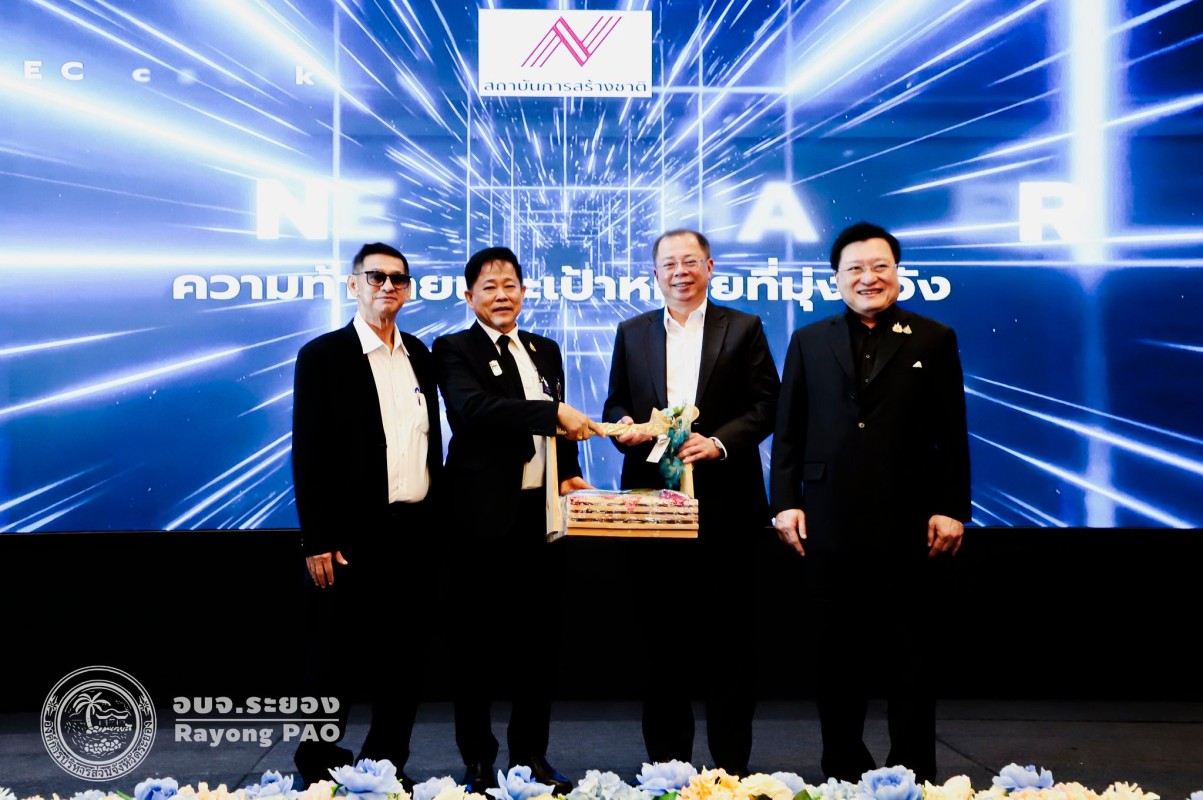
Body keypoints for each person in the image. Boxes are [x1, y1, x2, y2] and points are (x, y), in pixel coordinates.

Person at [769, 221, 971, 782]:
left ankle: (915, 773)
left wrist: (953, 507)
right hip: (827, 519)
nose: (868, 277)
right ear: (836, 278)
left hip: (911, 522)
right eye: (855, 268)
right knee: (837, 657)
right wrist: (784, 501)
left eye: (880, 266)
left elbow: (952, 431)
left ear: (897, 273)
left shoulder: (933, 337)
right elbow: (789, 429)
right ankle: (842, 771)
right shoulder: (809, 340)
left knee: (912, 654)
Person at [602, 228, 779, 774]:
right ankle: (667, 767)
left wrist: (720, 441)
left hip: (727, 506)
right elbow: (615, 404)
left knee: (731, 643)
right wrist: (624, 428)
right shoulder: (632, 331)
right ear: (655, 274)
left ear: (709, 267)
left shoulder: (743, 327)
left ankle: (731, 771)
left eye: (690, 262)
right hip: (653, 507)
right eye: (668, 264)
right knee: (660, 642)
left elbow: (767, 404)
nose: (680, 272)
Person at [433, 246, 603, 795]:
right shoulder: (453, 349)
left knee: (538, 644)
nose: (501, 295)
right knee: (474, 647)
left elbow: (561, 427)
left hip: (539, 518)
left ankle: (531, 756)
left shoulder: (543, 349)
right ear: (469, 297)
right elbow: (474, 410)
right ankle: (478, 760)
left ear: (525, 293)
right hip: (479, 518)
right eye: (489, 287)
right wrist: (552, 412)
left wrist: (570, 473)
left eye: (510, 285)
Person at [290, 242, 444, 791]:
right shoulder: (323, 355)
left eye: (398, 279)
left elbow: (428, 443)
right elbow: (308, 452)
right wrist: (316, 538)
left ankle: (386, 764)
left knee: (403, 659)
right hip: (347, 536)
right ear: (353, 284)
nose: (387, 286)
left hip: (414, 530)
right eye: (376, 277)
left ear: (408, 290)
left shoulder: (420, 354)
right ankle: (317, 765)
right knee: (332, 659)